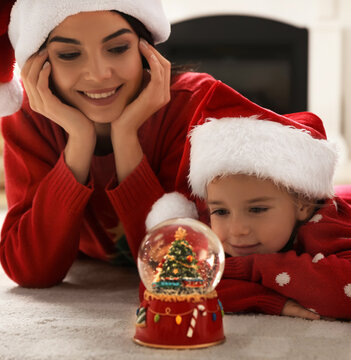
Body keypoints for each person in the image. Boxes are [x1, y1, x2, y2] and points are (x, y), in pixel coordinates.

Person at [1, 0, 230, 288]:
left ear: (145, 48)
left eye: (118, 48)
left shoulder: (195, 105)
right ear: (38, 65)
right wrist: (80, 139)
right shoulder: (28, 118)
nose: (98, 74)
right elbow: (31, 270)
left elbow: (179, 273)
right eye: (70, 54)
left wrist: (125, 138)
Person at [145, 81, 351, 320]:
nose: (237, 229)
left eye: (257, 209)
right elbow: (160, 289)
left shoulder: (324, 222)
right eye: (221, 212)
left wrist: (250, 268)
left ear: (303, 204)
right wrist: (265, 300)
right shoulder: (211, 221)